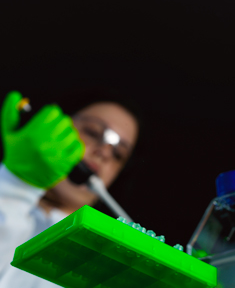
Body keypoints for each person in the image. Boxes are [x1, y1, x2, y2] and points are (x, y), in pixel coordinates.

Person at [0, 90, 140, 287]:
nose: (104, 152)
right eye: (91, 132)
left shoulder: (102, 269)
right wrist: (17, 184)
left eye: (118, 154)